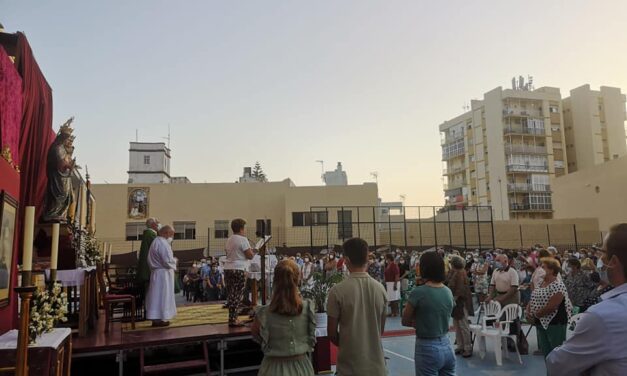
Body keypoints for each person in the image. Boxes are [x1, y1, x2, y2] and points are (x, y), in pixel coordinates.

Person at [546, 224, 627, 374]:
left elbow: (557, 364)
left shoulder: (603, 316)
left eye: (603, 252)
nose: (600, 259)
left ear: (614, 261)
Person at [327, 238, 387, 376]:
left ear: (346, 260)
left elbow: (331, 333)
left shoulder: (337, 291)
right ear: (367, 257)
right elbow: (380, 329)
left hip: (350, 367)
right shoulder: (380, 289)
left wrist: (349, 343)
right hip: (377, 367)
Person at [251, 260, 316, 376]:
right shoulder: (308, 308)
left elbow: (257, 335)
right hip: (302, 368)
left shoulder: (264, 313)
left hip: (272, 367)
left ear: (275, 280)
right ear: (298, 279)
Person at [402, 251, 455, 376]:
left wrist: (420, 322)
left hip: (427, 347)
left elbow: (405, 320)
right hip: (447, 344)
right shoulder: (447, 291)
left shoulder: (419, 292)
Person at [526, 258, 572, 357]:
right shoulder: (540, 283)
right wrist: (528, 310)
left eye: (543, 267)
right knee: (546, 352)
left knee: (556, 353)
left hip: (555, 323)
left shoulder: (558, 285)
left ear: (551, 270)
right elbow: (533, 297)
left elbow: (552, 307)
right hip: (540, 322)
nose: (540, 269)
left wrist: (535, 315)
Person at [224, 218, 255, 327]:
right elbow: (249, 255)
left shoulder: (229, 239)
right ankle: (233, 319)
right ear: (241, 228)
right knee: (237, 295)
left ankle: (232, 318)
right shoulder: (243, 239)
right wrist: (254, 250)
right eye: (245, 227)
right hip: (239, 268)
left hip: (228, 268)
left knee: (231, 294)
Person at [145, 225, 177, 327]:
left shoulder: (155, 242)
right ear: (166, 233)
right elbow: (167, 261)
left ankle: (156, 318)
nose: (171, 237)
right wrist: (175, 261)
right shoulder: (163, 243)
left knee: (156, 296)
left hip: (157, 273)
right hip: (163, 275)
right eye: (171, 234)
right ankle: (162, 318)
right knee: (163, 296)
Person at [448, 255, 473, 358]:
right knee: (457, 325)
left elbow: (460, 289)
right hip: (456, 302)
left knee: (463, 325)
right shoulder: (455, 272)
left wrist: (454, 299)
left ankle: (467, 347)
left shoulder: (461, 273)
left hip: (461, 302)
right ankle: (460, 345)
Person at [136, 218, 159, 299]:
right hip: (149, 267)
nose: (158, 224)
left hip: (148, 265)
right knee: (150, 291)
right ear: (152, 225)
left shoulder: (148, 234)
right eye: (157, 223)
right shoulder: (150, 234)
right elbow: (158, 248)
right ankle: (150, 309)